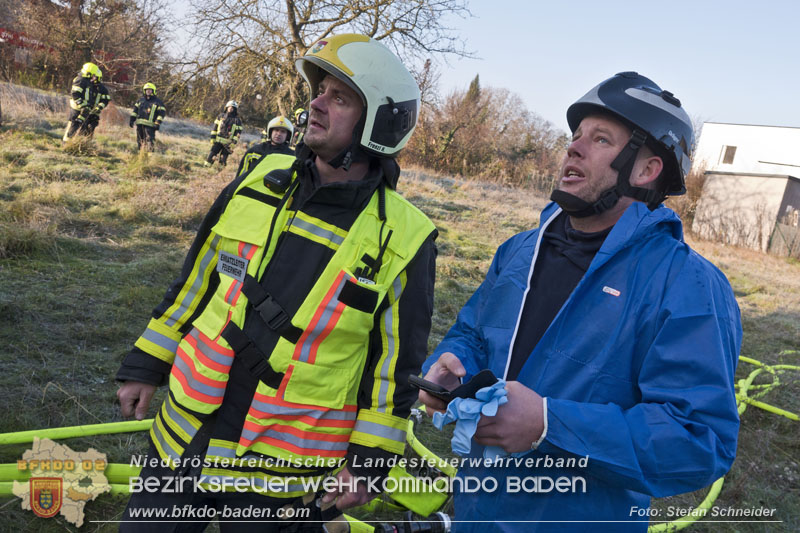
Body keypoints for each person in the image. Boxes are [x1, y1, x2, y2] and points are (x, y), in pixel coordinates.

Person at [116, 33, 436, 531]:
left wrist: (369, 462)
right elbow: (196, 282)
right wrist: (146, 361)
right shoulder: (259, 177)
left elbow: (393, 364)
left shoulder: (405, 237)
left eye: (340, 97)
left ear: (379, 124)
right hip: (186, 437)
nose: (317, 103)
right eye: (320, 90)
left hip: (281, 473)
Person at [418, 72, 742, 532]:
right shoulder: (520, 250)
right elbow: (472, 332)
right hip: (479, 509)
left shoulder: (688, 284)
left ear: (647, 169)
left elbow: (697, 439)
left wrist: (550, 425)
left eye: (600, 139)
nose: (573, 147)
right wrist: (453, 363)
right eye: (575, 136)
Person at [63, 62, 110, 141]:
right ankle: (66, 144)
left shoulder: (88, 82)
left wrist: (93, 107)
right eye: (94, 75)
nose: (94, 78)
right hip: (77, 108)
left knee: (84, 128)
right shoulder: (81, 80)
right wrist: (83, 106)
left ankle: (80, 144)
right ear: (88, 73)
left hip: (86, 109)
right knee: (73, 125)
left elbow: (103, 100)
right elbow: (75, 94)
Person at [129, 82, 166, 151]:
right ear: (144, 91)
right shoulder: (140, 101)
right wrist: (132, 120)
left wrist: (157, 123)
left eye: (150, 90)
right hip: (140, 124)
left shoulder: (158, 102)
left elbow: (161, 114)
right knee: (140, 140)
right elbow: (135, 111)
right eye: (146, 90)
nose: (148, 91)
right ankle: (140, 155)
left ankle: (150, 157)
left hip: (150, 126)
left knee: (149, 141)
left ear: (153, 91)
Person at [205, 100, 243, 167]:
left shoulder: (237, 120)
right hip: (218, 141)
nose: (230, 108)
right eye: (229, 107)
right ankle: (206, 167)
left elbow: (237, 133)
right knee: (212, 154)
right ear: (226, 107)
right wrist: (213, 138)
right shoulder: (221, 116)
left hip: (228, 143)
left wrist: (233, 143)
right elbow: (215, 128)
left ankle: (220, 172)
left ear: (235, 109)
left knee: (223, 159)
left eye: (232, 108)